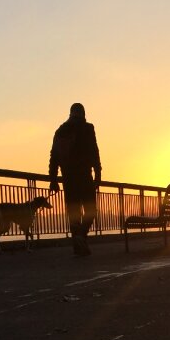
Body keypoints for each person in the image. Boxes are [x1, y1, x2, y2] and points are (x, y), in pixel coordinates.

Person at [48, 103, 102, 256]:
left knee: (74, 214)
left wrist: (53, 180)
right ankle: (81, 237)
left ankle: (78, 248)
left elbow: (54, 157)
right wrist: (98, 174)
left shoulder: (60, 131)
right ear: (83, 113)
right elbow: (94, 152)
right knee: (91, 210)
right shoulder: (88, 128)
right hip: (84, 176)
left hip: (68, 179)